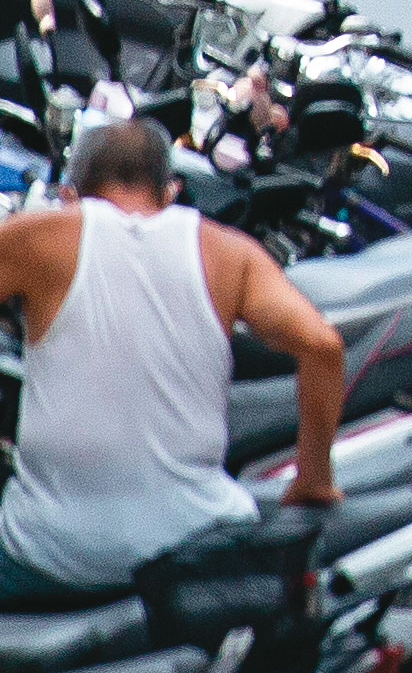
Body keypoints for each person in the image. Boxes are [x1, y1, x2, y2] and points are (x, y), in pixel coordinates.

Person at [0, 114, 344, 601]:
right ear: (170, 192)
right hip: (196, 542)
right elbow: (323, 346)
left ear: (71, 195)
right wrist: (314, 480)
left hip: (53, 554)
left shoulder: (38, 234)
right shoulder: (230, 253)